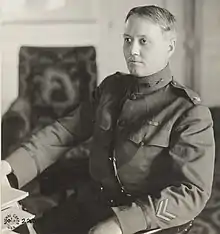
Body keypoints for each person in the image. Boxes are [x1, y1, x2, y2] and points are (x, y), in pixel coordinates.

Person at [2, 5, 215, 234]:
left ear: (169, 47)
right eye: (127, 39)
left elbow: (191, 192)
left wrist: (121, 224)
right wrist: (9, 168)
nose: (132, 50)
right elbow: (64, 132)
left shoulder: (188, 112)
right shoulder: (111, 89)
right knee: (19, 229)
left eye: (143, 41)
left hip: (145, 220)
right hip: (93, 203)